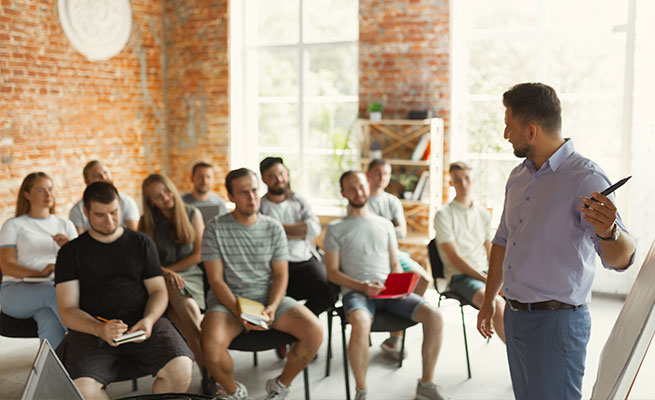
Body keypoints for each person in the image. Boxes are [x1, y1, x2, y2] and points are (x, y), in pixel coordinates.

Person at [477, 83, 637, 400]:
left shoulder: (586, 179)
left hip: (557, 324)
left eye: (509, 126)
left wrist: (610, 232)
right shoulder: (517, 177)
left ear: (531, 131)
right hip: (515, 315)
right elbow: (502, 240)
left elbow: (622, 259)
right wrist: (488, 301)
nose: (506, 135)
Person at [55, 181, 194, 399]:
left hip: (143, 322)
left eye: (114, 212)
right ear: (85, 212)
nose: (109, 221)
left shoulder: (142, 243)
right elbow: (67, 309)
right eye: (100, 215)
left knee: (182, 367)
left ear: (120, 206)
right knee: (83, 390)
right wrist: (100, 329)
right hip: (92, 330)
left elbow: (158, 291)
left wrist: (149, 319)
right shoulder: (70, 253)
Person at [200, 168, 323, 400]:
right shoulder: (215, 228)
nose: (252, 197)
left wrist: (273, 307)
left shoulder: (273, 227)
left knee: (314, 331)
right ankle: (234, 391)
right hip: (228, 303)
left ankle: (280, 386)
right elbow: (215, 280)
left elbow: (280, 275)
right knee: (210, 347)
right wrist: (239, 311)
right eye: (244, 192)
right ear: (231, 197)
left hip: (267, 299)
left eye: (255, 190)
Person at [324, 170, 445, 400]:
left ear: (367, 186)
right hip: (356, 293)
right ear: (343, 193)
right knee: (360, 323)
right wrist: (362, 285)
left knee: (435, 316)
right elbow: (332, 273)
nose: (358, 192)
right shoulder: (336, 228)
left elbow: (394, 264)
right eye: (351, 188)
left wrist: (399, 287)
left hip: (389, 292)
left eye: (360, 186)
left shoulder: (385, 225)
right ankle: (361, 390)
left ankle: (426, 384)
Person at [139, 174, 209, 393]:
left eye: (167, 191)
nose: (166, 198)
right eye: (158, 196)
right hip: (159, 278)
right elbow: (144, 262)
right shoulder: (146, 222)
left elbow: (198, 255)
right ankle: (208, 363)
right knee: (183, 304)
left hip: (190, 274)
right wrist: (165, 272)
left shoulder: (192, 213)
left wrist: (172, 271)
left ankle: (205, 364)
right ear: (151, 201)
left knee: (183, 310)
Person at [0, 172, 77, 348]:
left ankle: (59, 371)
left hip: (55, 287)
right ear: (27, 195)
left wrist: (68, 248)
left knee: (48, 320)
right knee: (53, 294)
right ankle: (90, 343)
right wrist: (39, 273)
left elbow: (80, 264)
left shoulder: (65, 225)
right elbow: (7, 266)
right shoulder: (13, 225)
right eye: (41, 190)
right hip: (16, 291)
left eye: (50, 189)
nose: (49, 195)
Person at [366, 159, 433, 358]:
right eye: (378, 172)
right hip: (373, 256)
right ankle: (389, 327)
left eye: (386, 174)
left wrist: (381, 229)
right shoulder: (361, 199)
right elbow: (366, 235)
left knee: (423, 279)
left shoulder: (392, 201)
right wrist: (389, 227)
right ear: (368, 174)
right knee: (393, 286)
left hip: (395, 253)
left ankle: (396, 335)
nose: (382, 177)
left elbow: (401, 233)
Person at [435, 161, 506, 342]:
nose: (463, 184)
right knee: (497, 304)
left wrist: (497, 277)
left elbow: (491, 250)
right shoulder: (443, 215)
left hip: (485, 274)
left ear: (473, 180)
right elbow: (455, 258)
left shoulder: (483, 213)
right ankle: (522, 362)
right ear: (451, 183)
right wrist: (490, 282)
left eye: (466, 178)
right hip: (460, 278)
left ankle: (531, 352)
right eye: (457, 180)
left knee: (526, 296)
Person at [259, 156, 335, 316]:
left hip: (305, 260)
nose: (278, 179)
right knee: (269, 297)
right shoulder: (260, 207)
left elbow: (314, 229)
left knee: (328, 292)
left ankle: (298, 322)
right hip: (275, 265)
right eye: (272, 176)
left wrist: (277, 227)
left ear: (287, 174)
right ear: (264, 179)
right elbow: (263, 235)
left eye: (281, 174)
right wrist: (299, 230)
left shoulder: (299, 201)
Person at [69, 160, 140, 234]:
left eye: (105, 173)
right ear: (87, 181)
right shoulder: (77, 210)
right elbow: (78, 239)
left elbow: (133, 234)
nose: (104, 177)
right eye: (97, 175)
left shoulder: (127, 201)